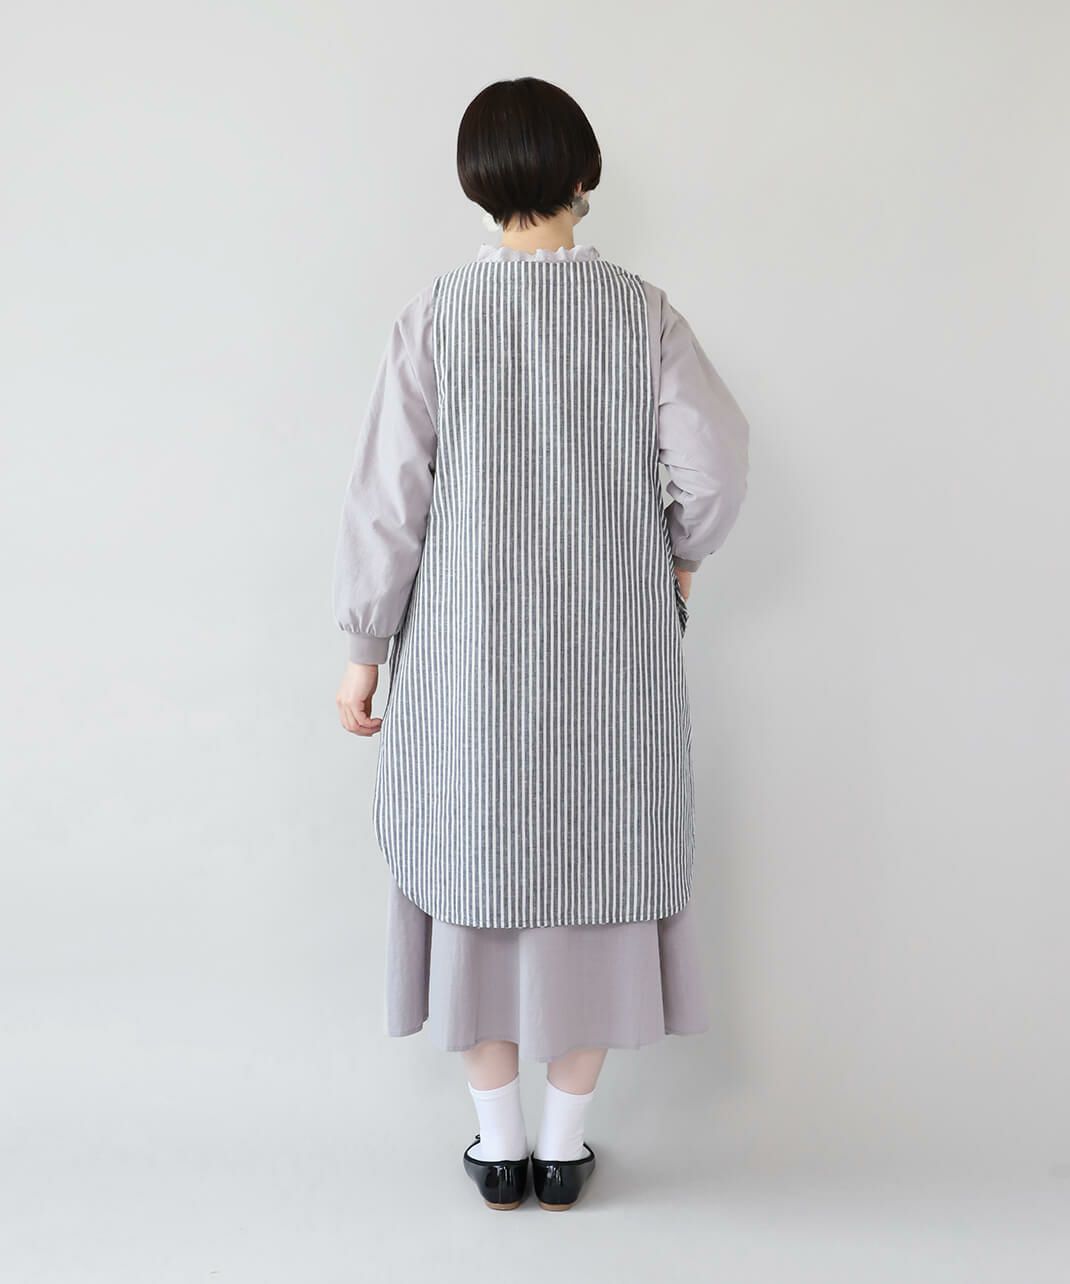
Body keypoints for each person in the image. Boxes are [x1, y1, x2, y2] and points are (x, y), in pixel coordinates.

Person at [331, 77, 749, 1211]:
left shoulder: (437, 316)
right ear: (584, 175)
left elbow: (386, 501)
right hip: (611, 660)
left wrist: (365, 645)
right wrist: (679, 552)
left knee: (474, 867)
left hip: (466, 664)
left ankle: (496, 1144)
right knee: (603, 867)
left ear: (476, 184)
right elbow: (715, 465)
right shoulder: (642, 314)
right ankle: (565, 1151)